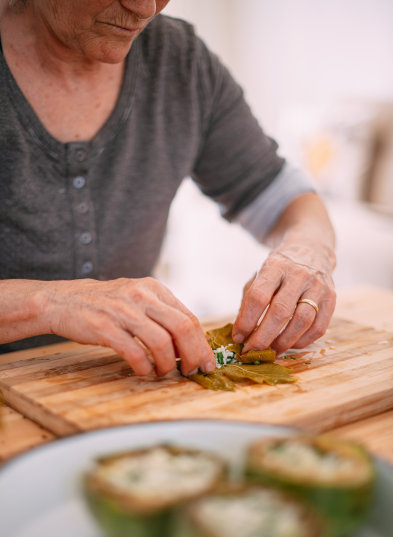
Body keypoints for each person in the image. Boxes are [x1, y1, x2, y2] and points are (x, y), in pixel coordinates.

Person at [0, 0, 336, 378]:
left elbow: (276, 192)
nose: (145, 7)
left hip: (116, 388)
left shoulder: (180, 60)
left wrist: (309, 251)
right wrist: (49, 304)